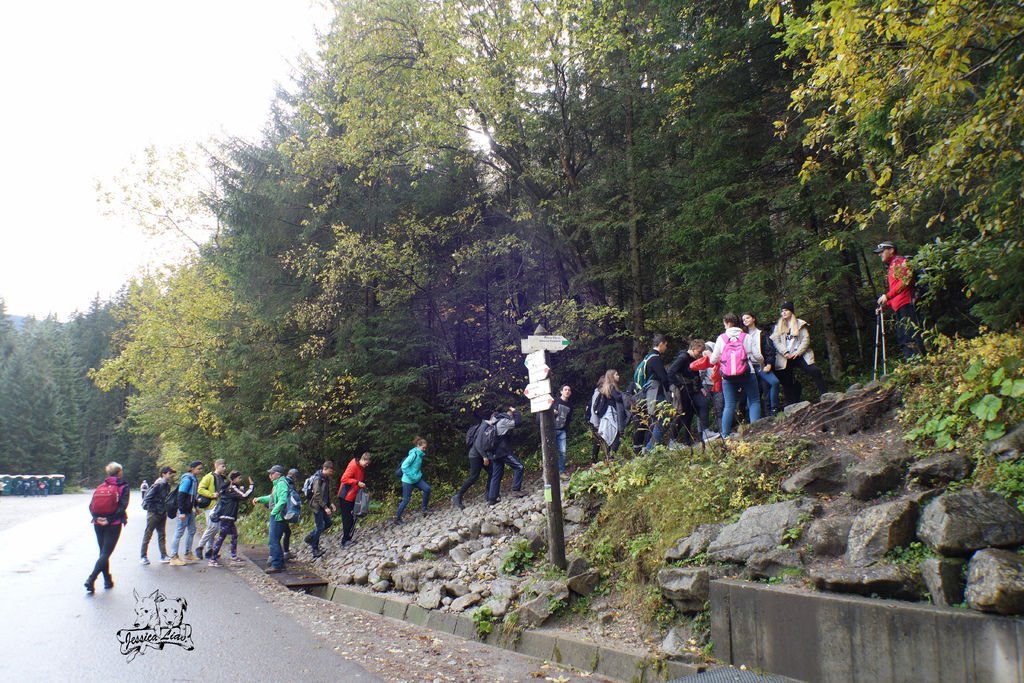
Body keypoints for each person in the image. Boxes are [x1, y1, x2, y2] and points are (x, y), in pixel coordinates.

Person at [709, 313, 763, 438]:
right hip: (747, 373)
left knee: (729, 404)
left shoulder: (721, 338)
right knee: (754, 400)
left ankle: (725, 435)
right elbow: (758, 356)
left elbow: (712, 360)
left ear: (727, 323)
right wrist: (761, 364)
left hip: (728, 377)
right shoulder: (747, 337)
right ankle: (755, 433)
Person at [873, 241, 926, 359]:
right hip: (899, 306)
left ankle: (919, 362)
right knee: (903, 336)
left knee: (911, 334)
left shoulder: (899, 262)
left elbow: (905, 282)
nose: (879, 254)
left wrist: (887, 296)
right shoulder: (892, 266)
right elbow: (896, 292)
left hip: (907, 303)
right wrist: (885, 306)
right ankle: (912, 363)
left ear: (891, 250)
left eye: (882, 251)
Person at [85, 462, 130, 593]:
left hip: (97, 523)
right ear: (119, 472)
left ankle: (107, 580)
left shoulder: (100, 486)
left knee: (103, 553)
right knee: (105, 553)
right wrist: (109, 519)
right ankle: (91, 579)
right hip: (113, 524)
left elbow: (91, 506)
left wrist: (97, 517)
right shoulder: (123, 486)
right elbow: (123, 506)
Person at [771, 302, 828, 404]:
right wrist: (785, 352)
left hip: (800, 355)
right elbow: (776, 341)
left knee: (815, 371)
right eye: (782, 311)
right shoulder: (778, 327)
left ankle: (825, 395)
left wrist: (799, 352)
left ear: (791, 312)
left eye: (786, 310)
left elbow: (806, 339)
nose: (783, 313)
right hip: (785, 357)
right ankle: (791, 404)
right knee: (786, 380)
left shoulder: (800, 324)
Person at [668, 340, 715, 444]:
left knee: (702, 404)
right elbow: (671, 372)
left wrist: (701, 387)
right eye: (698, 352)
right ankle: (673, 440)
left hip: (693, 389)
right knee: (684, 415)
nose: (699, 355)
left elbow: (696, 374)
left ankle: (705, 432)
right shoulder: (683, 358)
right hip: (684, 391)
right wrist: (679, 385)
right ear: (693, 349)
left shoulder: (692, 359)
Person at [633, 334, 673, 451]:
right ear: (661, 344)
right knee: (663, 418)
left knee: (655, 420)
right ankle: (650, 449)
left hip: (648, 394)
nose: (666, 347)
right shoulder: (655, 359)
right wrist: (669, 391)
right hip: (655, 394)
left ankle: (649, 447)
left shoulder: (647, 357)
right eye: (665, 345)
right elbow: (663, 377)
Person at [207, 471, 254, 567]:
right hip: (227, 516)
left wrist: (242, 489)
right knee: (221, 537)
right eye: (239, 478)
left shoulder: (229, 488)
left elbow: (239, 495)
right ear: (234, 479)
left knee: (234, 535)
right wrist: (251, 486)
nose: (240, 480)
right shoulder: (232, 488)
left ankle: (233, 556)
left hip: (228, 517)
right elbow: (244, 496)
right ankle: (212, 559)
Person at [742, 312, 782, 417]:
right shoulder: (742, 335)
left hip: (760, 365)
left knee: (774, 383)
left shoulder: (761, 333)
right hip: (747, 367)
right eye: (743, 319)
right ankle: (750, 418)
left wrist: (769, 363)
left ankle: (773, 409)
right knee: (751, 391)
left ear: (753, 318)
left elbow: (769, 349)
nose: (745, 320)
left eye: (747, 318)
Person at [253, 465, 289, 573]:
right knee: (275, 540)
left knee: (273, 541)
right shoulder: (278, 484)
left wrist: (274, 512)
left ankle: (276, 565)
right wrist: (259, 499)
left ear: (277, 474)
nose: (270, 476)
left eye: (271, 473)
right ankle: (280, 564)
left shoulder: (282, 484)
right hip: (278, 515)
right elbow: (272, 498)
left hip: (278, 516)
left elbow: (283, 500)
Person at [487, 407, 526, 504]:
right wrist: (515, 411)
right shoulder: (504, 421)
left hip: (494, 453)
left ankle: (492, 498)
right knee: (519, 466)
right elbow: (518, 422)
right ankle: (516, 490)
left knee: (496, 475)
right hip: (503, 452)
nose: (511, 418)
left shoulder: (493, 422)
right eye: (511, 416)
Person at [588, 370, 629, 461]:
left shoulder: (607, 388)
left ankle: (609, 459)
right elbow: (618, 398)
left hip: (607, 416)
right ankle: (610, 458)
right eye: (616, 375)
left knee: (611, 437)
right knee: (615, 436)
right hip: (610, 416)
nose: (619, 376)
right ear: (611, 377)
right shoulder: (611, 387)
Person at [169, 460, 204, 566]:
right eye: (199, 468)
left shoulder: (194, 479)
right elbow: (181, 496)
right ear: (192, 468)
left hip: (190, 510)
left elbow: (193, 496)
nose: (200, 470)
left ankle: (188, 553)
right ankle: (173, 557)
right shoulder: (187, 480)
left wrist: (196, 507)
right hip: (184, 510)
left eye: (201, 468)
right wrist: (182, 512)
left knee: (192, 530)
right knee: (179, 532)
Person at [453, 417, 493, 509]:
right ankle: (458, 495)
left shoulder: (484, 426)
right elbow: (478, 444)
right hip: (475, 456)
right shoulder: (484, 426)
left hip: (478, 455)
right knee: (474, 476)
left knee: (492, 471)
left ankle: (488, 493)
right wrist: (484, 457)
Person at [140, 466, 175, 565]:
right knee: (148, 533)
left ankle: (163, 555)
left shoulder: (166, 485)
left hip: (162, 512)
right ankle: (143, 556)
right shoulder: (158, 484)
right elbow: (147, 498)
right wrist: (155, 508)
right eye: (169, 473)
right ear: (163, 474)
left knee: (162, 534)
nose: (171, 475)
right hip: (154, 513)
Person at [196, 458, 227, 560]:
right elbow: (200, 489)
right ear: (216, 466)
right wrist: (211, 495)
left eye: (225, 466)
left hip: (219, 506)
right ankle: (199, 546)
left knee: (214, 529)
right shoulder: (209, 477)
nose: (224, 468)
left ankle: (209, 550)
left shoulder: (223, 478)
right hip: (210, 505)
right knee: (212, 527)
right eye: (223, 466)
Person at [337, 452, 371, 546]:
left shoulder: (361, 467)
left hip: (352, 496)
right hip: (345, 496)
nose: (366, 465)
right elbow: (344, 479)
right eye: (366, 463)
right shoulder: (353, 465)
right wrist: (357, 482)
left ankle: (348, 538)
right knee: (347, 519)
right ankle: (344, 541)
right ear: (363, 459)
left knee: (352, 518)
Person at [395, 437, 431, 524]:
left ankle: (424, 509)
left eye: (425, 448)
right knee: (406, 499)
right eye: (423, 447)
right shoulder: (413, 454)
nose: (424, 449)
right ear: (418, 446)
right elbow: (404, 466)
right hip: (408, 480)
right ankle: (397, 518)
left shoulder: (419, 454)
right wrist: (412, 476)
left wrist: (416, 475)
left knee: (427, 489)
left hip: (416, 479)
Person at [304, 460, 337, 557]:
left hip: (323, 505)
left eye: (332, 471)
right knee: (320, 526)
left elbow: (326, 493)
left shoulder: (326, 478)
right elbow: (317, 495)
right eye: (330, 471)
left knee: (328, 523)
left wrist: (331, 504)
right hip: (317, 506)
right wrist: (326, 507)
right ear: (324, 469)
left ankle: (310, 537)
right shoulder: (318, 479)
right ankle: (315, 549)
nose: (331, 473)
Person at [552, 385, 573, 478]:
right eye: (565, 389)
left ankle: (561, 472)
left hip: (562, 430)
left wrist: (566, 429)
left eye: (569, 390)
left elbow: (568, 419)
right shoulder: (555, 401)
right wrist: (552, 413)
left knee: (562, 452)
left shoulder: (570, 405)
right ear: (561, 392)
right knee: (551, 452)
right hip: (551, 430)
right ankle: (548, 472)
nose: (567, 391)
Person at [282, 468, 301, 559]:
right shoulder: (289, 484)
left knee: (286, 532)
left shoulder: (282, 482)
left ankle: (285, 553)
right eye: (296, 477)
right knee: (281, 533)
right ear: (293, 476)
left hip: (280, 511)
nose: (296, 480)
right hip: (282, 512)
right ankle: (279, 555)